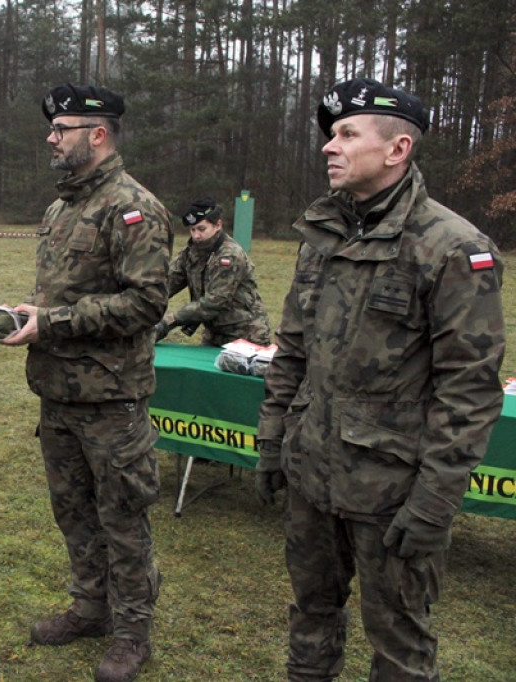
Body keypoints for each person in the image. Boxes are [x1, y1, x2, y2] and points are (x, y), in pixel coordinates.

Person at [255, 77, 506, 681]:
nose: (328, 147)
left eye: (346, 134)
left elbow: (468, 392)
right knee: (310, 615)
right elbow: (292, 350)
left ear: (397, 149)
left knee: (399, 642)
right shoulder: (323, 235)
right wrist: (271, 443)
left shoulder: (451, 247)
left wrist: (435, 501)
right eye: (330, 135)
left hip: (391, 493)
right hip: (312, 472)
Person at [2, 83, 173, 682]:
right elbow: (65, 292)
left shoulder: (134, 208)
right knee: (73, 510)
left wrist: (54, 322)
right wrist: (31, 312)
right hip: (58, 391)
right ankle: (89, 606)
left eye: (62, 128)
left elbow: (146, 303)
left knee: (121, 517)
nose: (51, 138)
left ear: (97, 135)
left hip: (110, 398)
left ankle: (132, 632)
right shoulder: (61, 207)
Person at [155, 197, 271, 347]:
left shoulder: (229, 256)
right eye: (192, 230)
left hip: (246, 336)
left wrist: (168, 322)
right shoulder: (191, 253)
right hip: (214, 335)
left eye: (202, 229)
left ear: (218, 225)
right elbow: (168, 282)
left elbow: (213, 303)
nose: (196, 235)